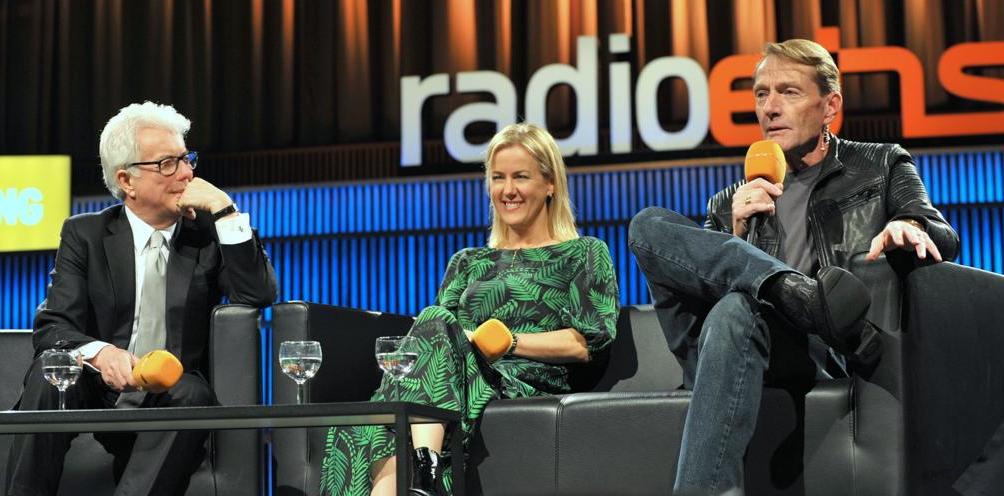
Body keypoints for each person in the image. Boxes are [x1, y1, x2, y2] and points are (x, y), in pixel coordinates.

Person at [628, 39, 959, 495]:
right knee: (647, 224)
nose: (770, 107)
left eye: (788, 92)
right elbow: (699, 304)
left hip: (824, 348)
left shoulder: (880, 164)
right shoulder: (729, 201)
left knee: (736, 311)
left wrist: (909, 224)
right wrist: (736, 235)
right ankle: (792, 291)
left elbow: (944, 238)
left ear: (830, 105)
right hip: (733, 350)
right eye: (761, 94)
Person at [319, 123, 620, 495]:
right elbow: (434, 336)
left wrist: (508, 342)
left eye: (521, 177)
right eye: (498, 178)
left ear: (550, 184)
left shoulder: (583, 253)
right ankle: (424, 477)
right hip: (454, 381)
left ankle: (425, 472)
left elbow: (586, 342)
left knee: (394, 398)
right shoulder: (467, 261)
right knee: (366, 416)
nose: (507, 190)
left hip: (518, 384)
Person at [5, 102, 277, 495]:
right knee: (53, 369)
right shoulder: (86, 234)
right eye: (168, 163)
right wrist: (101, 354)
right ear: (126, 181)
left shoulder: (207, 234)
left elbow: (259, 292)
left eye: (187, 159)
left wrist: (225, 210)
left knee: (194, 392)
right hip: (96, 387)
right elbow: (54, 326)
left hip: (167, 391)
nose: (187, 174)